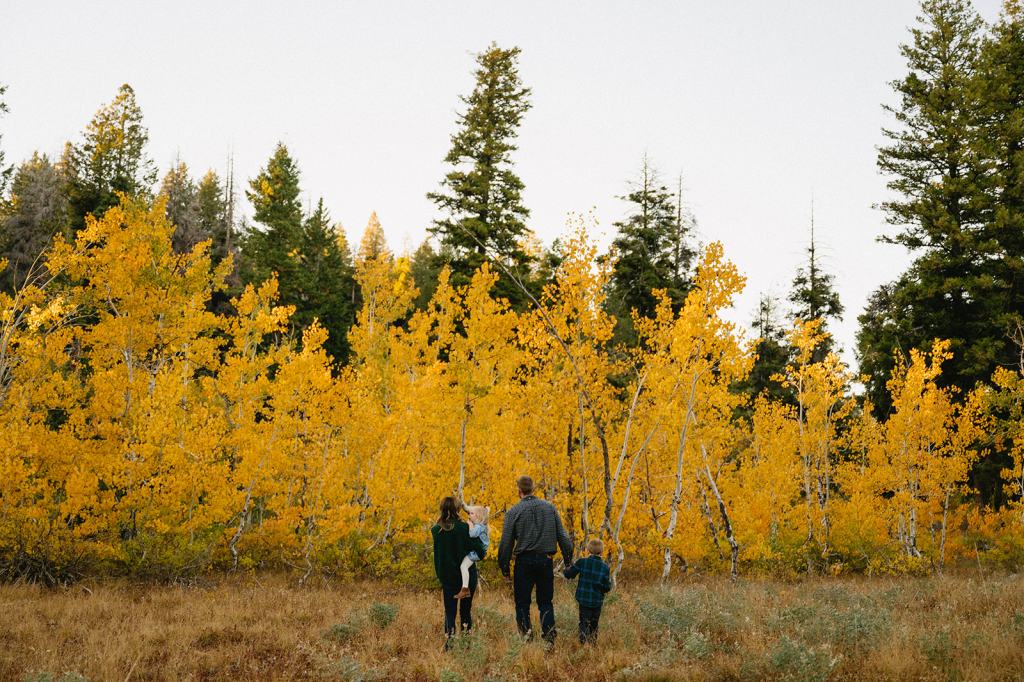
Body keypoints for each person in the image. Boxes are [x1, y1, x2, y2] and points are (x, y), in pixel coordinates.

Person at [497, 475, 574, 645]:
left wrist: (504, 568)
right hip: (545, 561)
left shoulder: (513, 512)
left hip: (523, 563)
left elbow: (505, 543)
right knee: (545, 602)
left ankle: (527, 638)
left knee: (522, 603)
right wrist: (568, 560)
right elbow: (563, 536)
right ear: (533, 489)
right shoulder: (550, 508)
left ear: (519, 491)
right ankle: (549, 640)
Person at [431, 496, 486, 648]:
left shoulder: (436, 530)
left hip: (447, 577)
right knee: (465, 611)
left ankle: (450, 644)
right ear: (457, 509)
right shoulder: (464, 528)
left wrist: (441, 576)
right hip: (466, 578)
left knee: (450, 611)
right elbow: (480, 552)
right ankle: (466, 644)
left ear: (442, 509)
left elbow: (437, 557)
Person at [564, 538, 613, 644]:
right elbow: (607, 587)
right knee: (594, 624)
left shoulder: (582, 562)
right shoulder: (605, 567)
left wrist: (566, 569)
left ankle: (583, 644)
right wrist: (602, 588)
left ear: (588, 550)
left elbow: (569, 575)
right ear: (602, 551)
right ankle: (592, 645)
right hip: (597, 601)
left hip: (584, 600)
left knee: (584, 622)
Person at [456, 505, 490, 599]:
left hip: (477, 553)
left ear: (478, 516)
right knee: (464, 565)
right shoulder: (481, 525)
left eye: (471, 513)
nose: (469, 515)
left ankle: (465, 589)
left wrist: (470, 526)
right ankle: (465, 588)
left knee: (463, 566)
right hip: (477, 551)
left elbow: (472, 534)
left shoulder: (478, 527)